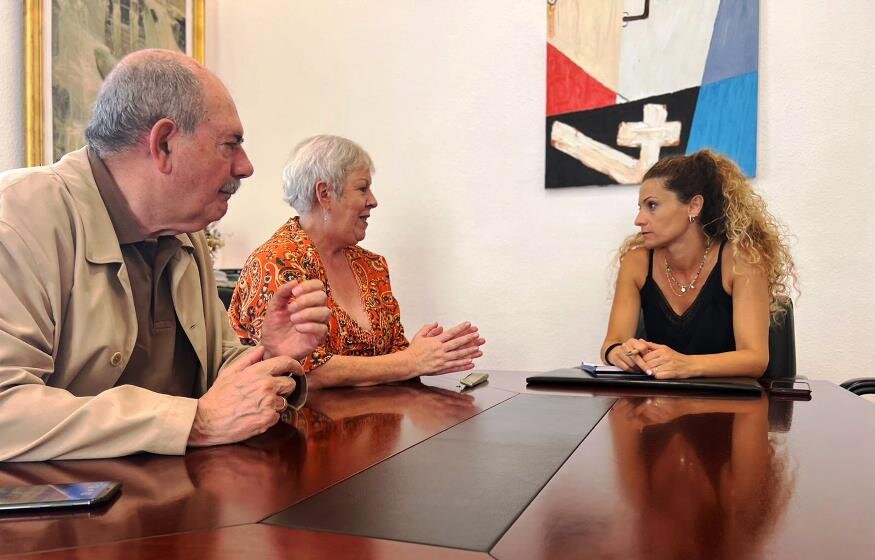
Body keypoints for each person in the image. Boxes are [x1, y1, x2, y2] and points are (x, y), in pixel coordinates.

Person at [0, 49, 330, 462]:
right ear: (163, 144)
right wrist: (193, 421)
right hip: (60, 521)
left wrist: (271, 356)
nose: (245, 167)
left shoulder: (182, 234)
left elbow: (216, 375)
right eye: (230, 145)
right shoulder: (17, 218)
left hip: (170, 507)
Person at [229, 135, 485, 389]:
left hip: (382, 424)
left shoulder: (372, 266)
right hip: (299, 426)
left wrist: (427, 353)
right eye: (363, 188)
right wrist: (411, 361)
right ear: (325, 193)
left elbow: (397, 356)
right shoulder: (275, 263)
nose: (373, 200)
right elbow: (300, 370)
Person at [601, 149, 796, 378]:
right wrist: (618, 353)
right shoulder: (637, 262)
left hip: (730, 405)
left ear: (694, 206)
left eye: (652, 205)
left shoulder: (741, 260)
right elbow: (611, 344)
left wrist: (686, 365)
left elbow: (755, 359)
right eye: (640, 208)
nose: (639, 219)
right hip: (658, 405)